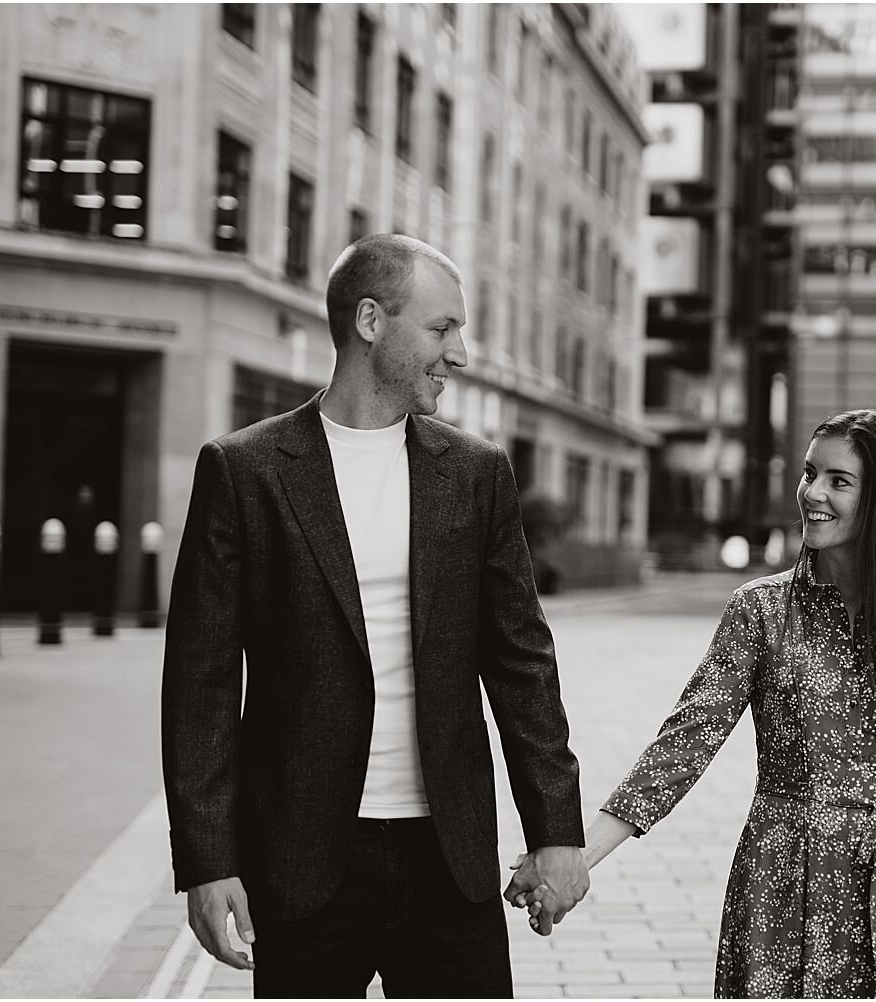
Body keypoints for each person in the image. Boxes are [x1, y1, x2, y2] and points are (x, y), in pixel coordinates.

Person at [161, 233, 588, 999]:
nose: (459, 354)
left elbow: (523, 662)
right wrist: (207, 860)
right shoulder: (245, 470)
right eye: (442, 328)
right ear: (369, 322)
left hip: (449, 859)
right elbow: (201, 682)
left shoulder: (477, 472)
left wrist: (556, 832)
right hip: (300, 859)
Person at [517, 408, 876, 998]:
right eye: (809, 473)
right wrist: (578, 860)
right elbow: (685, 743)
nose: (812, 494)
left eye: (838, 481)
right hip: (782, 887)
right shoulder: (760, 611)